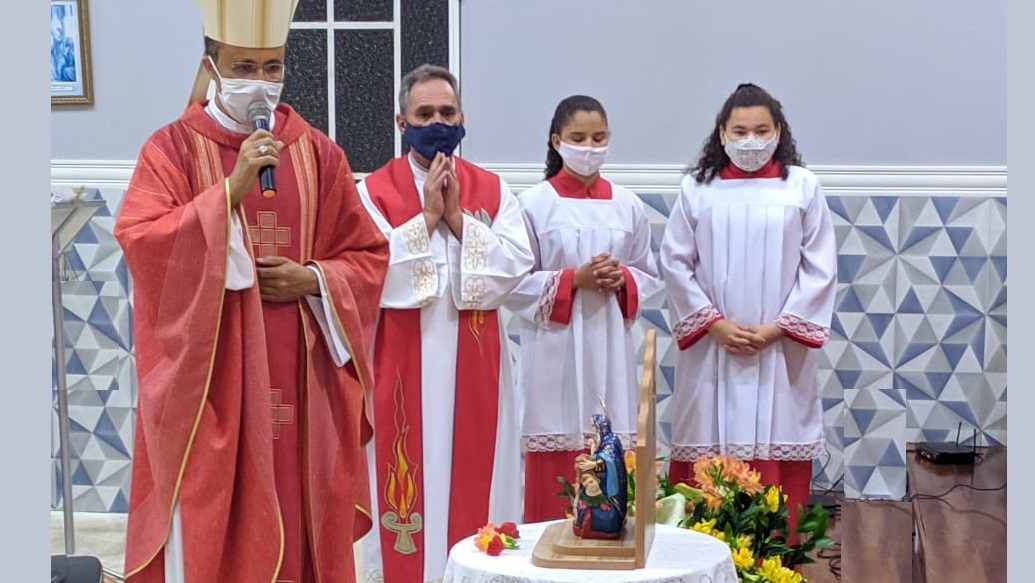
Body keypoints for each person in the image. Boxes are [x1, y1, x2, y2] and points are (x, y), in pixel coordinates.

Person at [113, 1, 390, 581]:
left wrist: (312, 279)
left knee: (302, 502)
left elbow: (366, 255)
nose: (260, 83)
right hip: (215, 384)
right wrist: (228, 196)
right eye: (244, 67)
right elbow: (141, 238)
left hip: (303, 377)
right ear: (212, 67)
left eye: (271, 67)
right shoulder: (170, 150)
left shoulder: (317, 152)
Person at [355, 63, 536, 583]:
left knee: (483, 482)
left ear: (463, 119)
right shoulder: (374, 191)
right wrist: (427, 218)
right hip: (402, 360)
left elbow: (511, 271)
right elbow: (370, 274)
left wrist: (458, 219)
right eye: (424, 113)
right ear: (401, 121)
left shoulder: (493, 190)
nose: (437, 122)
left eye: (447, 112)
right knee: (408, 478)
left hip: (479, 366)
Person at [658, 83, 838, 537]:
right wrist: (714, 324)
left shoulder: (802, 186)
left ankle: (774, 561)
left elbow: (820, 268)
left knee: (776, 464)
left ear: (779, 132)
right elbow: (675, 263)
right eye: (740, 131)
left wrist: (778, 329)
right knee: (706, 467)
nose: (751, 141)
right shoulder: (697, 190)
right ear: (722, 134)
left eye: (761, 130)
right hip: (712, 354)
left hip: (778, 354)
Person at [504, 94, 661, 523]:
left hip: (609, 344)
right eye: (578, 138)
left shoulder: (627, 205)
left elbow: (648, 273)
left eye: (599, 137)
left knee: (611, 443)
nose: (589, 147)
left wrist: (621, 280)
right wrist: (574, 279)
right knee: (555, 443)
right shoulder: (532, 204)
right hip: (554, 349)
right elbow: (513, 283)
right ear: (556, 141)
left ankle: (610, 539)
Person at [572, 413, 629, 539]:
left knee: (607, 511)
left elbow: (612, 463)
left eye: (594, 426)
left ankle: (607, 526)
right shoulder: (601, 441)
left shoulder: (612, 441)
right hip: (600, 481)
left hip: (609, 486)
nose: (592, 429)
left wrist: (593, 465)